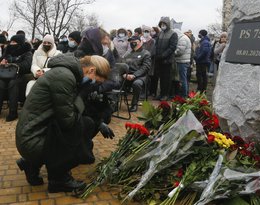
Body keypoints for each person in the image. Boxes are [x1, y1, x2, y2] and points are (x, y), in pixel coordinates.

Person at [16, 54, 114, 192]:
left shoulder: (66, 74)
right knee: (81, 126)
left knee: (86, 123)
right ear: (91, 71)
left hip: (33, 135)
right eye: (96, 82)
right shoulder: (65, 77)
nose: (95, 86)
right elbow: (68, 122)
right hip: (32, 140)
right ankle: (58, 179)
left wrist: (99, 121)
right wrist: (81, 94)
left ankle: (32, 164)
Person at [0, 34, 33, 121]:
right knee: (1, 84)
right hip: (5, 74)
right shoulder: (7, 51)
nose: (11, 43)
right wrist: (2, 63)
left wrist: (11, 64)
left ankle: (13, 112)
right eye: (11, 42)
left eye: (14, 42)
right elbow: (2, 59)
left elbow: (26, 66)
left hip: (19, 75)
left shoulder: (27, 52)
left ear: (19, 43)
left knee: (13, 84)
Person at [124, 36, 151, 112]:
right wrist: (123, 74)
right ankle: (114, 103)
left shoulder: (146, 53)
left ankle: (134, 104)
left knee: (137, 84)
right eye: (130, 41)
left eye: (134, 41)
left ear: (139, 42)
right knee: (116, 81)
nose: (132, 43)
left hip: (140, 76)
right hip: (128, 75)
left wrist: (134, 75)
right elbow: (122, 64)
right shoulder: (128, 53)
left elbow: (146, 67)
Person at [155, 16, 178, 101]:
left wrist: (163, 55)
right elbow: (156, 45)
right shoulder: (160, 33)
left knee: (167, 78)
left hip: (167, 60)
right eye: (161, 24)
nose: (162, 25)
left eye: (164, 24)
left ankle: (165, 94)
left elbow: (172, 47)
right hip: (159, 60)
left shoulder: (173, 34)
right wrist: (156, 54)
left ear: (168, 24)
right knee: (161, 78)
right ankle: (161, 93)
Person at [174, 29, 192, 98]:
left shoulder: (182, 39)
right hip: (183, 61)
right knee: (183, 78)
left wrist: (173, 52)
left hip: (182, 61)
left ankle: (184, 95)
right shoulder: (184, 38)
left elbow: (180, 51)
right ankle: (184, 93)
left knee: (183, 79)